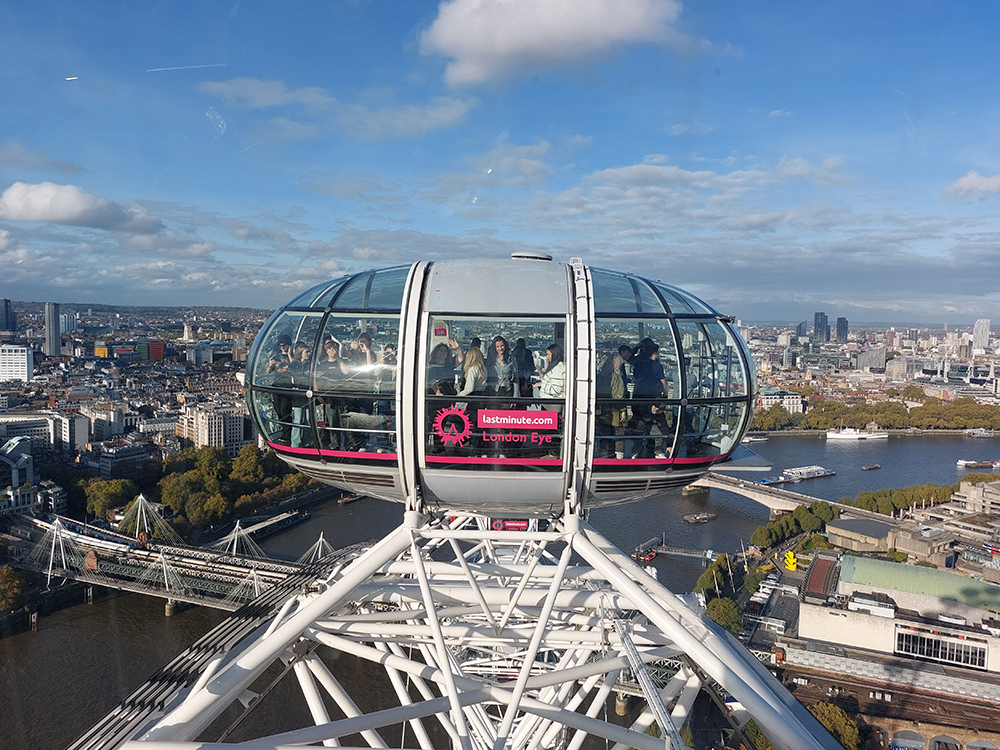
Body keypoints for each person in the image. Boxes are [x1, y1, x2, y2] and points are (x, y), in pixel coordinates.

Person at [315, 338, 349, 449]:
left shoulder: (341, 362)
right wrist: (318, 394)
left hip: (341, 396)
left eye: (334, 349)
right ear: (326, 351)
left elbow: (346, 372)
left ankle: (347, 443)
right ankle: (335, 444)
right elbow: (317, 380)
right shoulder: (322, 365)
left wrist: (338, 358)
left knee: (345, 421)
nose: (332, 351)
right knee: (332, 421)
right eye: (329, 349)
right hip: (329, 397)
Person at [596, 353, 626, 458]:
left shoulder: (600, 376)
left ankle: (602, 455)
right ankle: (614, 456)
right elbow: (619, 395)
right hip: (614, 412)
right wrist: (623, 410)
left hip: (602, 411)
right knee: (616, 435)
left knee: (604, 436)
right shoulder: (617, 378)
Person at [288, 342, 313, 448]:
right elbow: (288, 377)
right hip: (299, 395)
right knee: (298, 419)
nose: (309, 353)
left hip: (307, 394)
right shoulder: (294, 365)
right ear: (301, 353)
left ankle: (306, 441)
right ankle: (296, 442)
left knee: (307, 419)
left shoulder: (310, 364)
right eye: (306, 352)